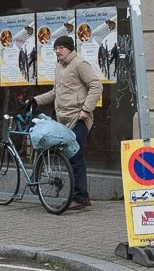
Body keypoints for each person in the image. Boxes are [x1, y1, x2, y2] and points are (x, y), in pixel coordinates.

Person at [33, 34, 102, 209]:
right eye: (56, 48)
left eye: (61, 47)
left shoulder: (79, 64)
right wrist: (35, 100)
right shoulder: (59, 67)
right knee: (71, 158)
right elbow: (55, 92)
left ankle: (79, 198)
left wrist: (86, 109)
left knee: (76, 157)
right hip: (63, 119)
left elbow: (96, 85)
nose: (58, 51)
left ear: (70, 48)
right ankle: (83, 196)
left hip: (78, 118)